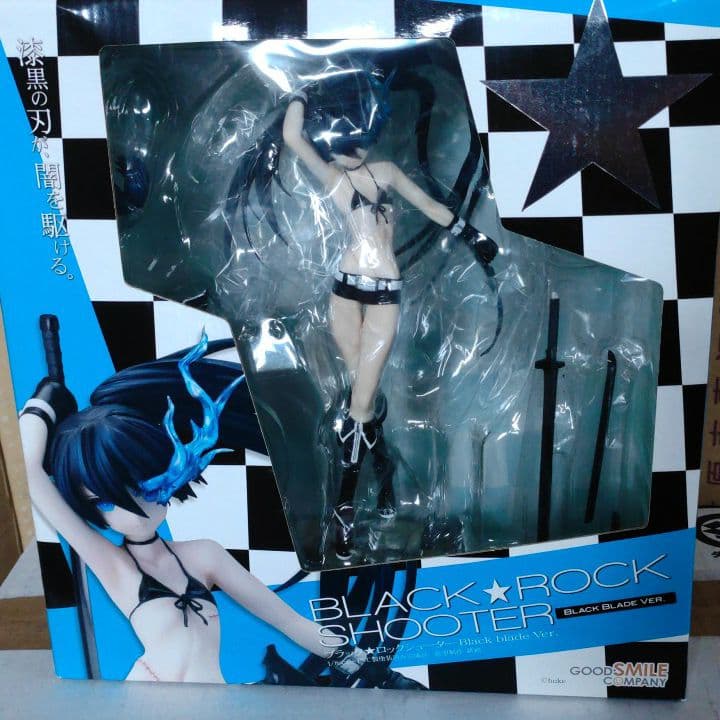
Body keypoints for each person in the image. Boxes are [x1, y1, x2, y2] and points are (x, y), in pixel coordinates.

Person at [18, 332, 422, 688]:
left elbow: (289, 621)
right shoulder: (114, 566)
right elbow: (31, 473)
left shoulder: (204, 556)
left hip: (213, 700)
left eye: (144, 484)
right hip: (144, 698)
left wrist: (372, 669)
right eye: (106, 501)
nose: (135, 510)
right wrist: (42, 402)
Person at [272, 68, 498, 559]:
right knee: (362, 399)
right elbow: (292, 136)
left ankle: (344, 512)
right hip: (343, 291)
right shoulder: (334, 178)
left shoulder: (388, 173)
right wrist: (302, 91)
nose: (349, 150)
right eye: (341, 141)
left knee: (359, 406)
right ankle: (386, 478)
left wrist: (471, 235)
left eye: (356, 139)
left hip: (383, 294)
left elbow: (430, 205)